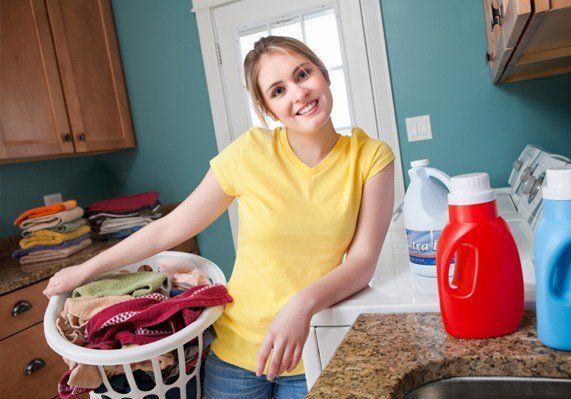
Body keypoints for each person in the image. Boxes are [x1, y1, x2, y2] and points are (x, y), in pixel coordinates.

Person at [44, 35, 395, 398]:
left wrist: (301, 306)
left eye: (303, 74)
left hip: (313, 348)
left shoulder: (370, 157)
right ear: (268, 109)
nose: (298, 93)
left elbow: (363, 261)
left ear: (323, 73)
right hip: (235, 355)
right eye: (278, 91)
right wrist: (87, 269)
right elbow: (170, 227)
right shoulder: (250, 153)